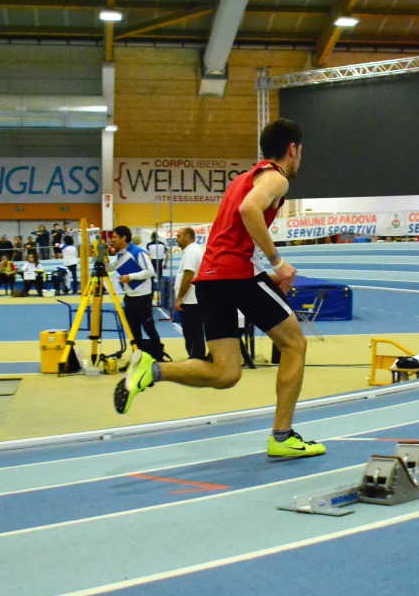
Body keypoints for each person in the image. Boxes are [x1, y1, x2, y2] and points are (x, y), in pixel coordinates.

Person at [113, 118, 324, 459]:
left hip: (211, 279)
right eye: (301, 152)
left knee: (226, 373)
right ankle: (282, 436)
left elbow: (232, 232)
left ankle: (151, 370)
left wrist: (261, 274)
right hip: (235, 273)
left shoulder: (242, 179)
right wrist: (277, 262)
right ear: (293, 149)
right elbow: (248, 210)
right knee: (295, 344)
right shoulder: (276, 177)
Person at [107, 225, 163, 358]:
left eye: (115, 237)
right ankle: (137, 357)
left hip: (142, 297)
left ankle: (158, 356)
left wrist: (130, 277)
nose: (112, 239)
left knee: (148, 327)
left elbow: (150, 271)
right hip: (129, 297)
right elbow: (108, 268)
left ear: (123, 238)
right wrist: (103, 256)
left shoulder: (138, 252)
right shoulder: (120, 255)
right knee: (133, 330)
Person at [174, 226, 207, 360]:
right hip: (191, 299)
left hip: (190, 300)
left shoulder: (191, 252)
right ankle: (196, 357)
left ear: (187, 237)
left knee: (192, 332)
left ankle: (197, 358)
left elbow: (188, 276)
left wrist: (180, 298)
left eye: (178, 236)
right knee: (193, 332)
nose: (176, 239)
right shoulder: (191, 251)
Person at [146, 231, 167, 301]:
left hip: (152, 262)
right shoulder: (162, 244)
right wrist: (165, 263)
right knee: (160, 279)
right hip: (160, 261)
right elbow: (167, 255)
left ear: (152, 237)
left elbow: (148, 255)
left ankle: (151, 295)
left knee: (151, 279)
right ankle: (162, 294)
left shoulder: (149, 244)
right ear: (158, 237)